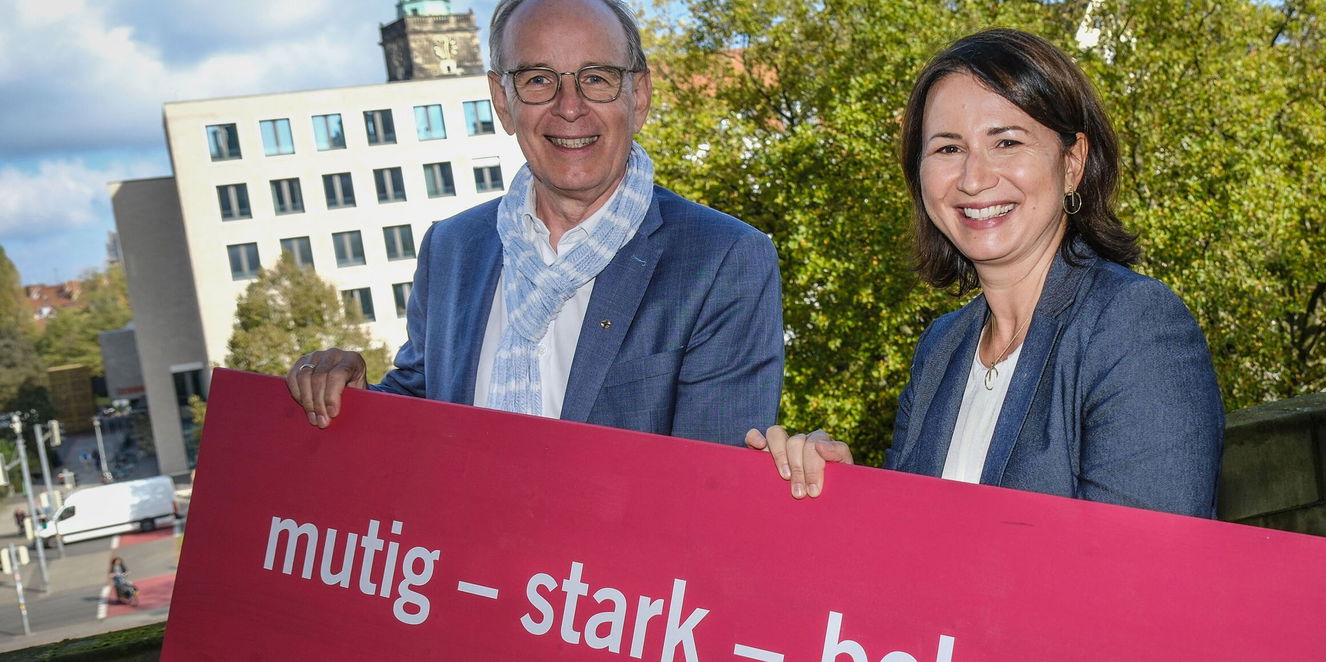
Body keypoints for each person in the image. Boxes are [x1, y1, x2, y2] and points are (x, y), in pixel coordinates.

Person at [747, 29, 1224, 516]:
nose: (974, 179)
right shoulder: (942, 347)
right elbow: (912, 553)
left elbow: (1142, 573)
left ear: (1073, 163)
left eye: (1007, 142)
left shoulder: (1132, 324)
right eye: (948, 150)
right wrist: (845, 490)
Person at [287, 0, 783, 445]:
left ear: (640, 96)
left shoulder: (722, 259)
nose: (570, 107)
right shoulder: (452, 248)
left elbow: (710, 484)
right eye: (539, 80)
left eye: (596, 77)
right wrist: (352, 395)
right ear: (504, 102)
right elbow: (423, 407)